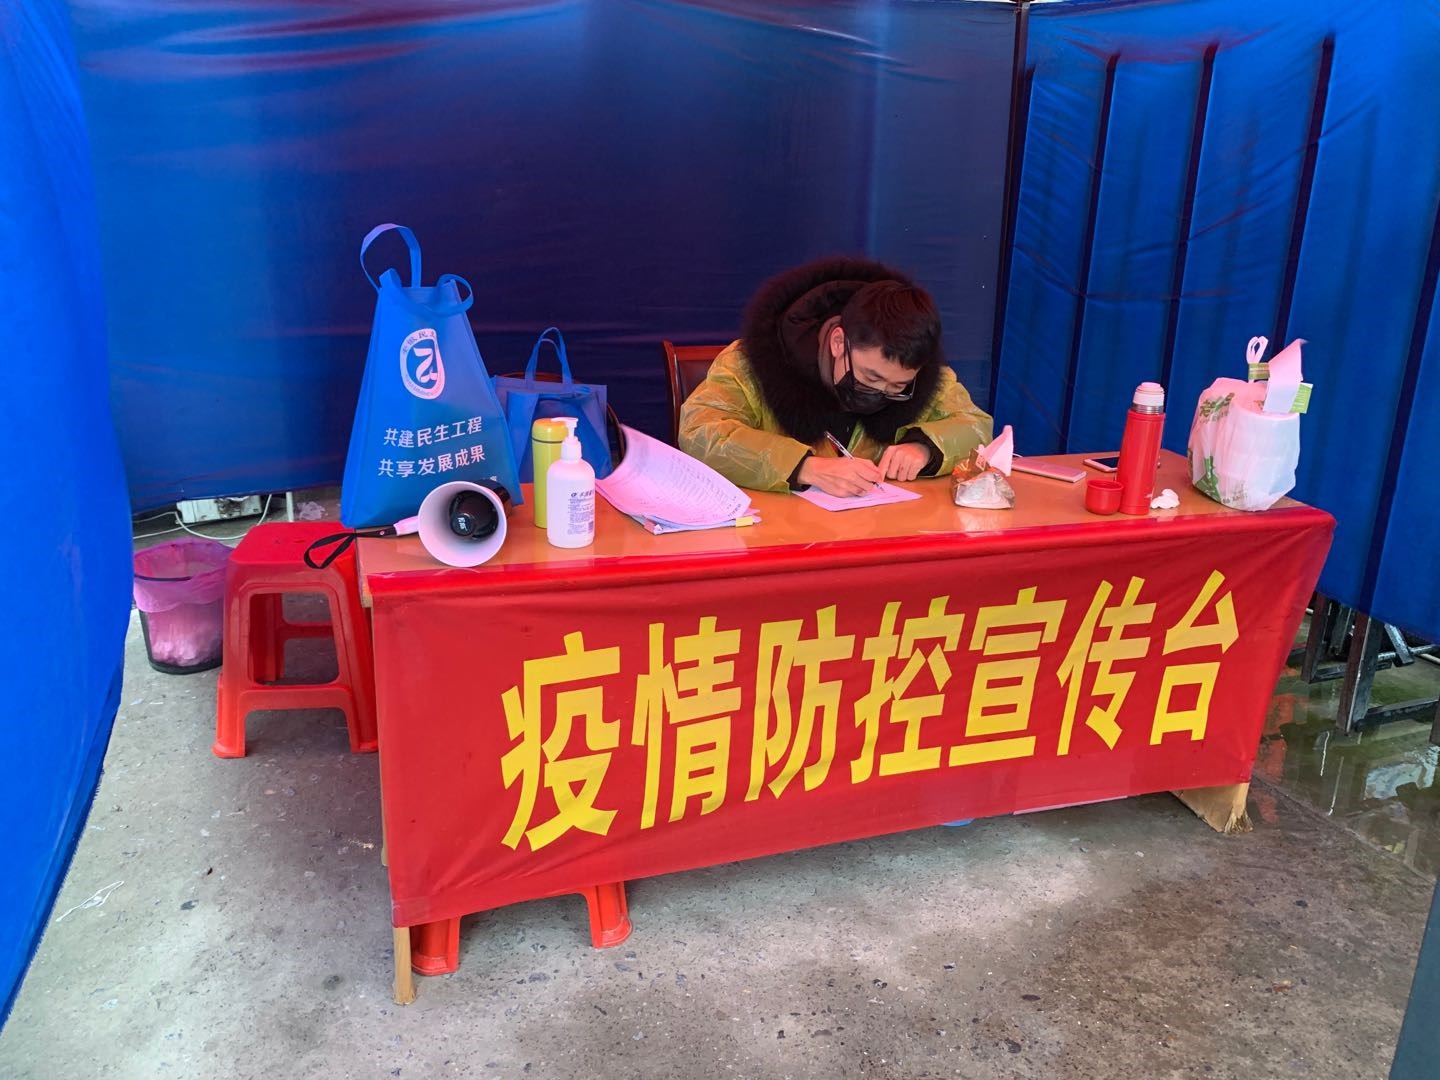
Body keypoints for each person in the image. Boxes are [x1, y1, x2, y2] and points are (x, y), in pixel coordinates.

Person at [679, 256, 993, 497]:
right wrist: (805, 468)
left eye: (897, 387)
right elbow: (700, 432)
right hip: (774, 539)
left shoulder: (925, 378)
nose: (880, 393)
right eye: (870, 377)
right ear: (839, 342)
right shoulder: (751, 363)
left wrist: (925, 448)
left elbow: (976, 426)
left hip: (876, 534)